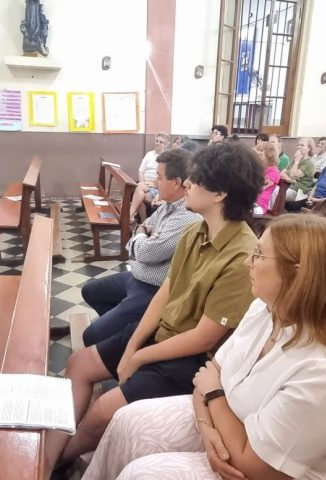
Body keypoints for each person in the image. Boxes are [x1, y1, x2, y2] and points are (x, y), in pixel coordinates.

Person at [84, 214, 326, 480]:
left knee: (142, 473)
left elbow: (257, 467)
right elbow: (209, 374)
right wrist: (205, 425)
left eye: (259, 254)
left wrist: (214, 393)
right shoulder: (264, 310)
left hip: (263, 468)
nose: (248, 262)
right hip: (226, 421)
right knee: (128, 421)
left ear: (298, 276)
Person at [44, 143, 263, 478]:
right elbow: (165, 291)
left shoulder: (241, 255)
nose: (186, 184)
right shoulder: (197, 230)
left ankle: (51, 463)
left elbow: (204, 337)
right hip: (163, 332)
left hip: (191, 359)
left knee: (104, 410)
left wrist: (139, 357)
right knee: (79, 363)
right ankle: (52, 452)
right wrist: (133, 345)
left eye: (195, 180)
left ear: (220, 193)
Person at [81, 149, 202, 347]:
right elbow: (140, 231)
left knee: (90, 336)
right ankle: (125, 333)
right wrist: (142, 234)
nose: (155, 182)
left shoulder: (188, 217)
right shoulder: (167, 206)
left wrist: (142, 236)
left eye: (159, 177)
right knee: (90, 291)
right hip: (137, 275)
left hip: (153, 288)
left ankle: (130, 336)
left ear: (176, 182)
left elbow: (148, 252)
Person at [129, 132, 169, 221]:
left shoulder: (166, 158)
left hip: (157, 186)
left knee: (140, 193)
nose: (157, 143)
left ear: (166, 145)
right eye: (156, 141)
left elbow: (162, 177)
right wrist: (142, 183)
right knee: (140, 192)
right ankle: (142, 221)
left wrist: (151, 184)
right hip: (145, 184)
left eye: (161, 142)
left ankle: (130, 215)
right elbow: (141, 170)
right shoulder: (149, 154)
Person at [280, 137, 316, 203]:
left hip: (297, 191)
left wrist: (297, 161)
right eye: (298, 145)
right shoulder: (294, 161)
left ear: (309, 149)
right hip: (287, 186)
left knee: (278, 195)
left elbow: (293, 176)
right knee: (271, 191)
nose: (299, 147)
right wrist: (290, 180)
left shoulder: (309, 164)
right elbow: (281, 173)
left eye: (302, 145)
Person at [253, 141, 280, 214]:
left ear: (269, 154)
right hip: (251, 202)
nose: (258, 153)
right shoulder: (259, 168)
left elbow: (259, 187)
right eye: (258, 150)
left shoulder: (273, 171)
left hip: (259, 206)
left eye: (261, 151)